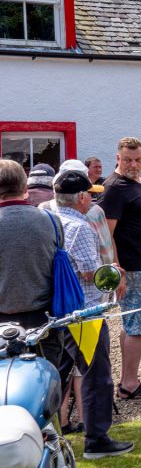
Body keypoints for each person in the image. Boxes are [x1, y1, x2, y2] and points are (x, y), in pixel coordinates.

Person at [52, 170, 134, 458]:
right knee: (96, 374)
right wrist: (114, 271)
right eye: (91, 194)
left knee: (58, 374)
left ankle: (47, 433)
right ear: (82, 197)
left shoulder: (50, 220)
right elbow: (90, 272)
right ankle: (96, 439)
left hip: (58, 311)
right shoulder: (80, 226)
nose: (93, 199)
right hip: (85, 312)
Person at [99, 137, 141, 400]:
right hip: (133, 267)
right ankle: (129, 384)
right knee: (138, 326)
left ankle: (129, 379)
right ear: (117, 158)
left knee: (131, 324)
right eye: (127, 159)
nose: (133, 164)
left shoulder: (137, 182)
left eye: (138, 160)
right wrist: (117, 269)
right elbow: (107, 234)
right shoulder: (115, 187)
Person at [0, 159, 68, 383]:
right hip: (43, 323)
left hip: (2, 323)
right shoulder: (51, 220)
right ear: (24, 187)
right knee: (43, 392)